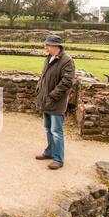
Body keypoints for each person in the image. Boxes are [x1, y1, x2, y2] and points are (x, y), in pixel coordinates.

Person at [35, 35, 75, 170]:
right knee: (48, 128)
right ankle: (50, 152)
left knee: (56, 131)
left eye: (48, 45)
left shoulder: (67, 61)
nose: (46, 47)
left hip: (56, 102)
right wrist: (39, 89)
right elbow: (43, 76)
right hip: (46, 100)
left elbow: (67, 82)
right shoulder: (49, 58)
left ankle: (58, 159)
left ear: (55, 46)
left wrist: (52, 96)